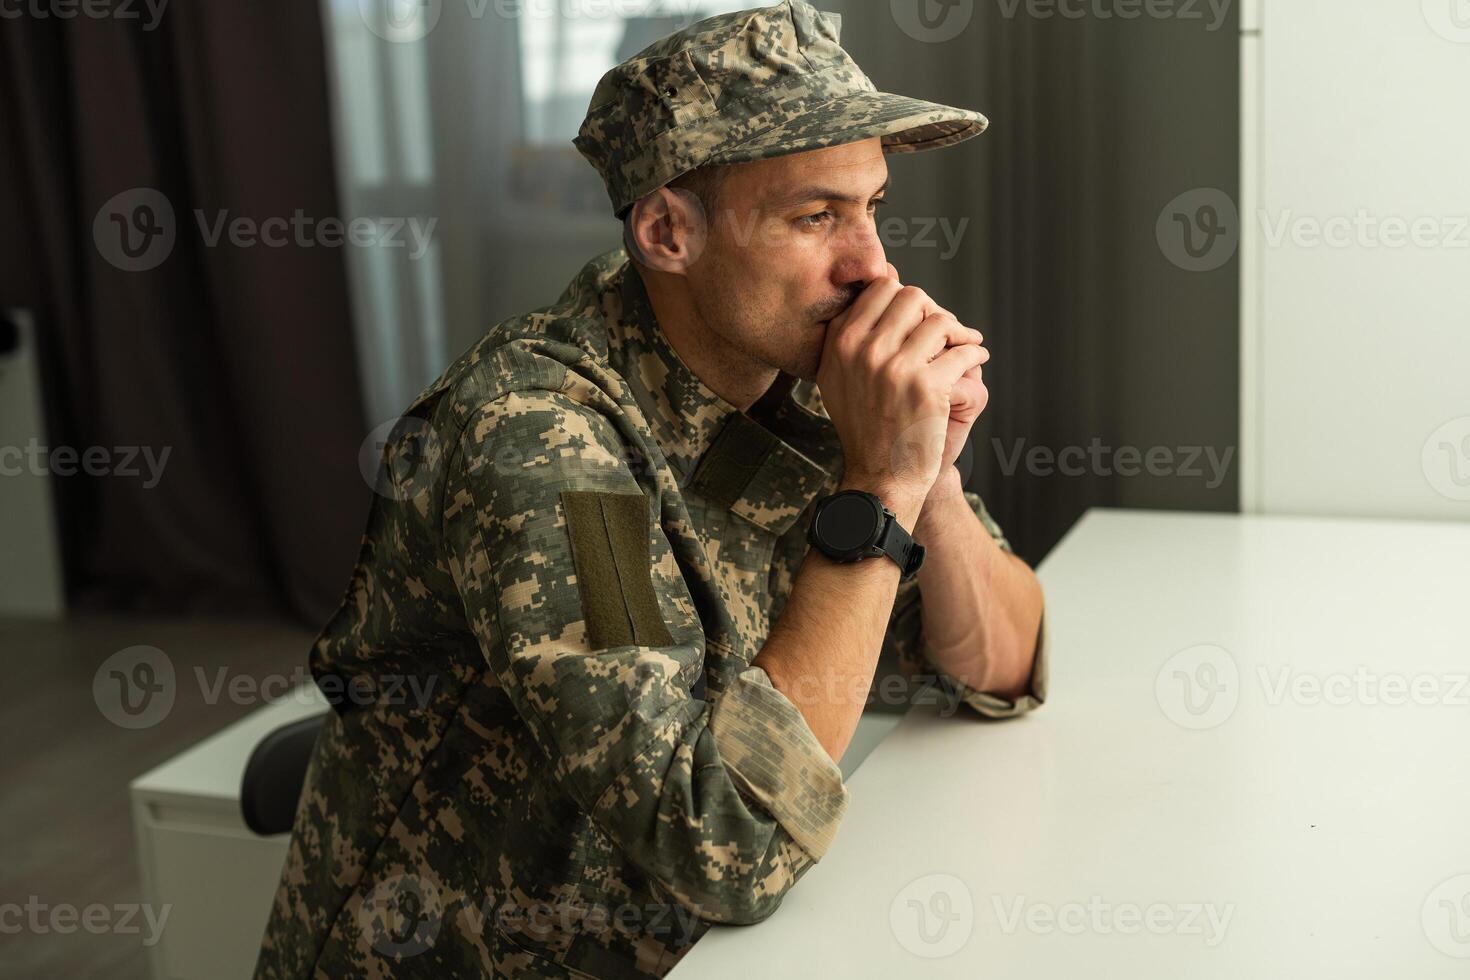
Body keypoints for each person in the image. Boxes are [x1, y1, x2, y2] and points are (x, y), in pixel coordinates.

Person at [253, 2, 1047, 977]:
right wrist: (879, 485)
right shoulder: (541, 442)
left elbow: (1001, 663)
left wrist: (932, 472)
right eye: (814, 216)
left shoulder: (797, 381)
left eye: (872, 206)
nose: (871, 265)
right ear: (668, 231)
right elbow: (725, 843)